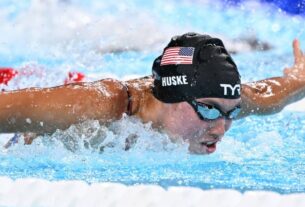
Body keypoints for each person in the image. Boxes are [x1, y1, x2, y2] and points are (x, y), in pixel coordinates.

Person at [1, 33, 305, 154]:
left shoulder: (223, 100)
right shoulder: (98, 104)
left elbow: (277, 93)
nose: (220, 128)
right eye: (210, 110)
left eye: (233, 113)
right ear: (169, 97)